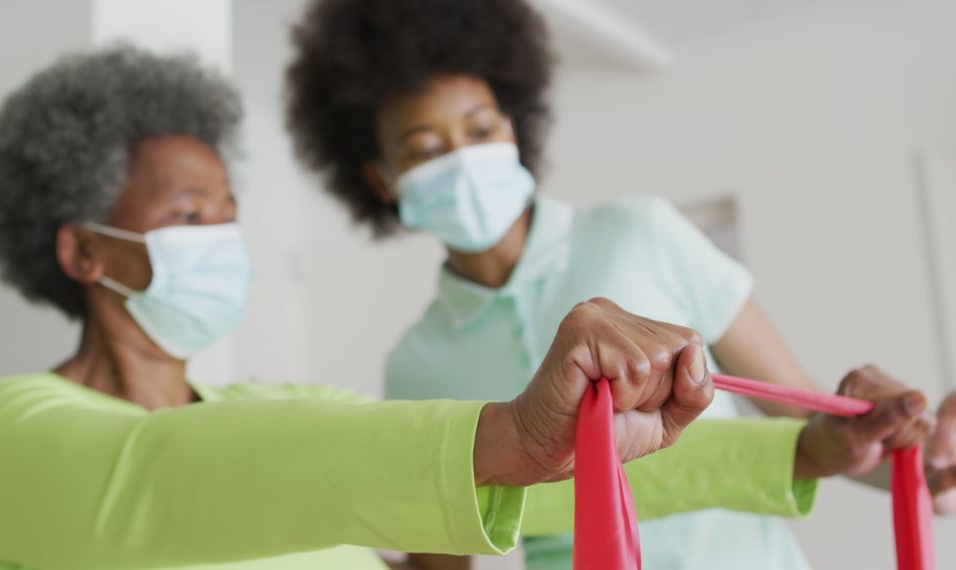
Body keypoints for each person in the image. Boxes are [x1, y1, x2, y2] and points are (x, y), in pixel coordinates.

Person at [0, 45, 849, 570]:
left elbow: (529, 489)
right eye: (186, 214)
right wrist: (505, 432)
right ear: (83, 250)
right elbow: (166, 477)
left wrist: (806, 448)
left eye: (228, 211)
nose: (220, 233)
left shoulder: (283, 408)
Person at [283, 0, 956, 568]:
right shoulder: (415, 365)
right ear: (381, 179)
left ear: (512, 130)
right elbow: (440, 555)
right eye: (426, 149)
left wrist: (921, 465)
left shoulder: (640, 233)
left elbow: (809, 421)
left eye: (480, 129)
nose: (460, 159)